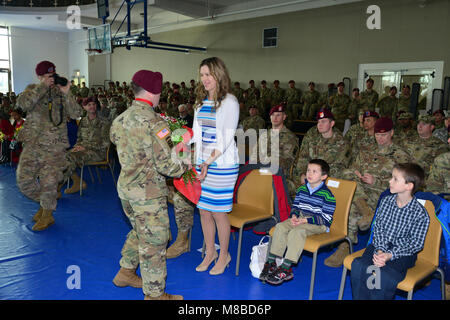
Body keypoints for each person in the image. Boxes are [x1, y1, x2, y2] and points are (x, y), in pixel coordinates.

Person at [110, 70, 186, 300]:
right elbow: (167, 165)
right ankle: (154, 295)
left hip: (126, 190)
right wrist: (186, 163)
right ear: (155, 93)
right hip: (148, 194)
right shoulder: (155, 123)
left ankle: (125, 272)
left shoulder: (119, 119)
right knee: (155, 241)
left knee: (139, 230)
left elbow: (118, 144)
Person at [325, 117, 412, 267]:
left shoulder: (400, 155)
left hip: (384, 194)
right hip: (361, 191)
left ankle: (346, 244)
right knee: (347, 177)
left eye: (384, 135)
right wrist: (358, 174)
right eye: (378, 135)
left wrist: (375, 181)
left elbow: (406, 183)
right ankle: (352, 233)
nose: (380, 138)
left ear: (392, 133)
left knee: (351, 205)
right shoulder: (366, 151)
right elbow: (352, 168)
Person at [15, 60, 82, 231]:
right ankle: (46, 204)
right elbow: (23, 105)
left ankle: (47, 215)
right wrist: (42, 87)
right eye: (47, 76)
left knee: (49, 183)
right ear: (39, 76)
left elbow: (76, 113)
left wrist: (67, 93)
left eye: (52, 75)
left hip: (54, 147)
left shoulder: (60, 92)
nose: (51, 79)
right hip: (33, 145)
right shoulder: (32, 91)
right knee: (24, 182)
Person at [350, 163, 429, 300]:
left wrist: (390, 255)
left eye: (395, 179)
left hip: (402, 252)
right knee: (359, 266)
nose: (389, 181)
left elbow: (415, 243)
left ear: (408, 186)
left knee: (384, 276)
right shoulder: (386, 201)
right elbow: (379, 229)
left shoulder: (420, 213)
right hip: (381, 245)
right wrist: (380, 251)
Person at [191, 57, 240, 275]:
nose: (204, 79)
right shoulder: (200, 102)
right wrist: (181, 142)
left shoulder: (230, 101)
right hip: (203, 162)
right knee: (203, 211)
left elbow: (225, 138)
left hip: (222, 164)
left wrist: (208, 163)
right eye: (202, 75)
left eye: (208, 74)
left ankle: (224, 255)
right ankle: (209, 252)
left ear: (219, 75)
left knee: (219, 212)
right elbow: (196, 133)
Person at [260, 159, 336, 285]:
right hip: (301, 218)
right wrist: (294, 216)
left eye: (314, 172)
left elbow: (326, 218)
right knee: (280, 226)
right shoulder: (302, 190)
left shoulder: (328, 195)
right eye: (308, 170)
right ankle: (271, 262)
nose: (309, 174)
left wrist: (305, 220)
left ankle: (286, 268)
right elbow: (296, 207)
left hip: (318, 224)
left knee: (297, 231)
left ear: (323, 176)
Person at [62, 97, 111, 195]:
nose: (92, 106)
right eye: (89, 105)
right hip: (83, 150)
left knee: (70, 157)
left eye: (93, 104)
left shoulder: (104, 122)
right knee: (62, 157)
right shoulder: (83, 121)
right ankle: (77, 181)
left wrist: (86, 147)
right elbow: (79, 138)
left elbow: (106, 143)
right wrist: (77, 147)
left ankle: (58, 188)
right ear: (84, 107)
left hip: (98, 153)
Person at [249, 103, 299, 198]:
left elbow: (286, 161)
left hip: (280, 175)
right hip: (262, 172)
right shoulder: (264, 135)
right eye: (273, 115)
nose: (275, 118)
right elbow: (254, 156)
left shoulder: (290, 137)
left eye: (278, 115)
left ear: (284, 117)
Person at [292, 108, 350, 187]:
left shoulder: (342, 143)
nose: (319, 124)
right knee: (282, 186)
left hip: (328, 181)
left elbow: (340, 167)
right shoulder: (313, 141)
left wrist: (317, 177)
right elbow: (303, 158)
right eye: (318, 122)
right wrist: (302, 174)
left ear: (332, 123)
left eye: (323, 121)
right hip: (309, 178)